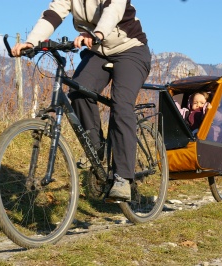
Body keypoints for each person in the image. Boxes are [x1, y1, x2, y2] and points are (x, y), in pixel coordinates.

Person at [11, 0, 151, 202]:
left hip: (131, 49)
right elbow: (53, 14)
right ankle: (97, 149)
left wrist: (98, 33)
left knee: (121, 105)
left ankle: (123, 177)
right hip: (98, 51)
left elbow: (114, 9)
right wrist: (32, 42)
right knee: (78, 92)